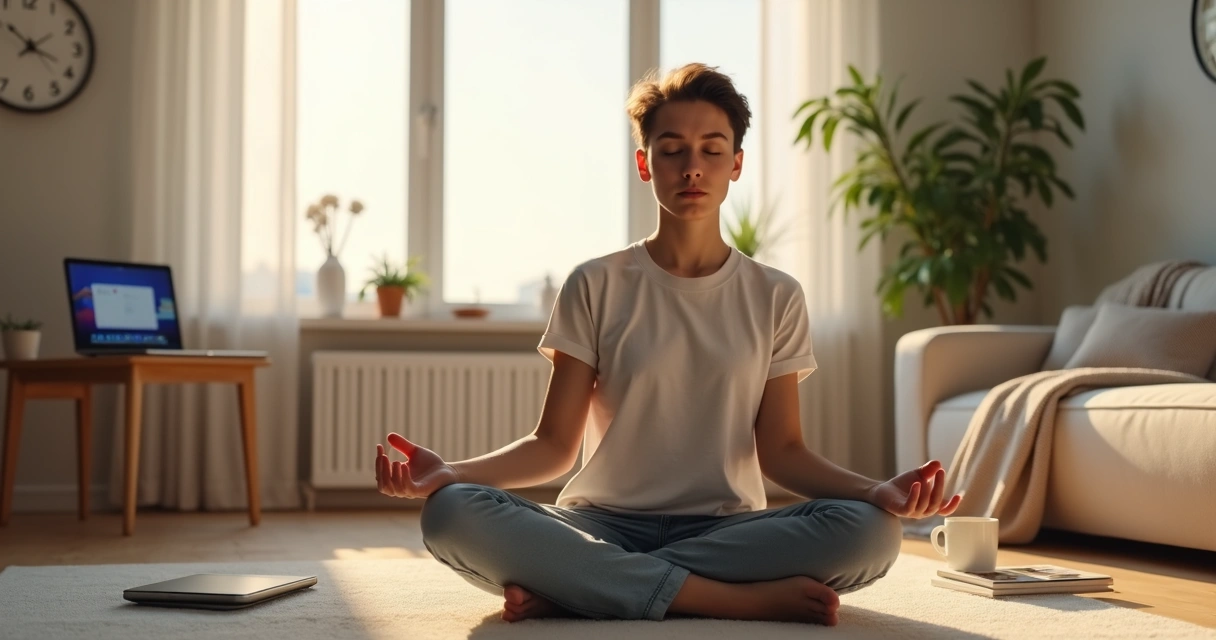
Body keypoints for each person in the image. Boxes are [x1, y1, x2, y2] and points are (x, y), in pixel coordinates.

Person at [374, 62, 961, 626]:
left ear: (736, 164)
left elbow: (783, 452)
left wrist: (876, 490)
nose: (692, 167)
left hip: (728, 531)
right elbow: (553, 447)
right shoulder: (594, 283)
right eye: (672, 148)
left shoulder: (776, 294)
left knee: (874, 532)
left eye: (712, 149)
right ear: (644, 163)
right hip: (599, 525)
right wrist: (450, 472)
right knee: (451, 512)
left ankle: (583, 589)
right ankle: (726, 600)